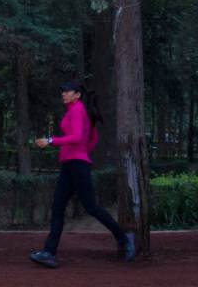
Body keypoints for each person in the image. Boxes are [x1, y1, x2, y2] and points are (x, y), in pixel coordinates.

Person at [28, 80, 135, 269]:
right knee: (58, 207)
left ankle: (124, 239)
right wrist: (82, 152)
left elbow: (78, 137)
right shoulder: (76, 111)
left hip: (77, 164)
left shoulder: (77, 109)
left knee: (91, 206)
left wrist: (51, 141)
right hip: (71, 164)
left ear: (77, 94)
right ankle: (49, 253)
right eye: (62, 91)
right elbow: (92, 138)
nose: (63, 94)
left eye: (67, 91)